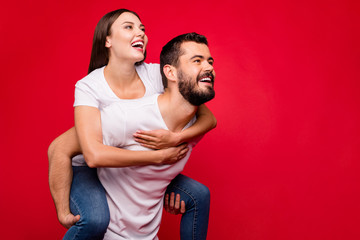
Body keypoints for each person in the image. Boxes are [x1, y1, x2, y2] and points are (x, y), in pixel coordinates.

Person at [48, 9, 215, 240]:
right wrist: (63, 211)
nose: (141, 33)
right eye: (129, 27)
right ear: (107, 40)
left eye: (142, 28)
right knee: (96, 220)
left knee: (198, 195)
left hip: (132, 165)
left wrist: (175, 140)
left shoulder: (156, 75)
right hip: (90, 165)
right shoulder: (89, 87)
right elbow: (72, 150)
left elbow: (205, 115)